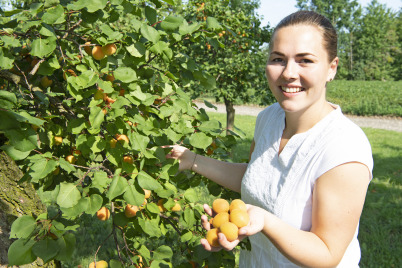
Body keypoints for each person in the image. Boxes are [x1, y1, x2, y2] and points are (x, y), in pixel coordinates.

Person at [165, 10, 373, 268]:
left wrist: (264, 220)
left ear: (331, 68)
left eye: (305, 60)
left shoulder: (344, 147)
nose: (288, 73)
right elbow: (257, 178)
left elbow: (328, 253)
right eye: (278, 59)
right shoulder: (269, 118)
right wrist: (191, 159)